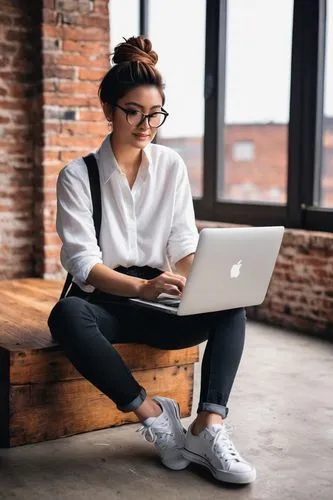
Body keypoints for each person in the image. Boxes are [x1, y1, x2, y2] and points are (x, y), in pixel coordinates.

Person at [48, 35, 256, 485]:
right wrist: (140, 287)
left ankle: (208, 426)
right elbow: (84, 264)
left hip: (159, 301)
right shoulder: (77, 176)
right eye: (134, 112)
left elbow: (183, 246)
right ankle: (154, 416)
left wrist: (211, 280)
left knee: (231, 307)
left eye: (155, 113)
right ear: (108, 109)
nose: (147, 124)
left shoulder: (171, 166)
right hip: (106, 303)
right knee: (66, 315)